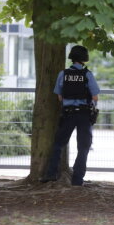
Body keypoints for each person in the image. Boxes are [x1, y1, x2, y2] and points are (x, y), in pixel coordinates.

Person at [41, 45, 100, 186]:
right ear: (84, 59)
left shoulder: (63, 74)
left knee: (58, 144)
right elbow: (95, 97)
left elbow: (59, 96)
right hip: (84, 115)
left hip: (68, 114)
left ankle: (51, 174)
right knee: (83, 147)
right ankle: (77, 179)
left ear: (72, 58)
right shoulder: (87, 75)